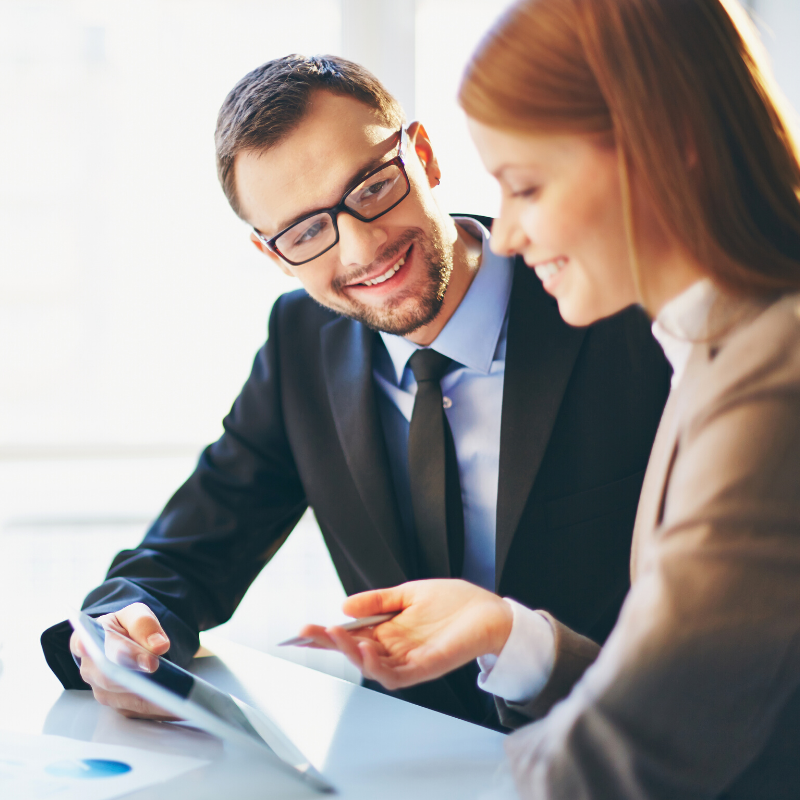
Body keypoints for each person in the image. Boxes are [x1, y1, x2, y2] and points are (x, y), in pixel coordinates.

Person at [40, 54, 670, 728]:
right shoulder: (300, 343)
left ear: (422, 157)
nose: (361, 248)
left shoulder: (620, 309)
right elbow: (189, 551)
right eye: (307, 231)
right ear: (274, 255)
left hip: (630, 752)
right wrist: (123, 628)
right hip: (405, 770)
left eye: (371, 187)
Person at [297, 0, 800, 796]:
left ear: (672, 152)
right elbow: (684, 690)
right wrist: (509, 634)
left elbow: (646, 747)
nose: (503, 234)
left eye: (524, 186)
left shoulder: (772, 376)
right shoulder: (711, 352)